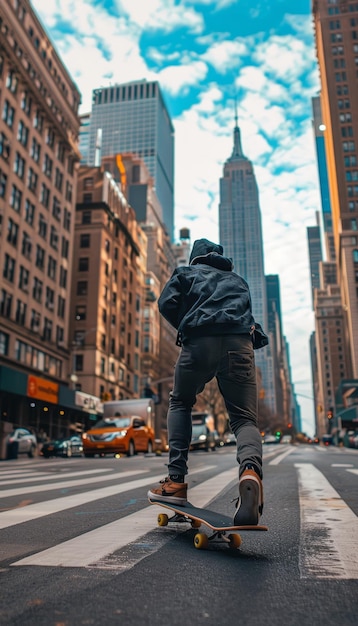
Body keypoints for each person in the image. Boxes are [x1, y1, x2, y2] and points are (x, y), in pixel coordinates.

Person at [147, 238, 269, 525]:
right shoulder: (237, 280)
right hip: (239, 345)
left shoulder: (185, 273)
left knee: (180, 402)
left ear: (195, 258)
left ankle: (175, 481)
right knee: (244, 419)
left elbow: (166, 303)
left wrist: (188, 323)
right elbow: (248, 316)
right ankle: (250, 470)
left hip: (199, 342)